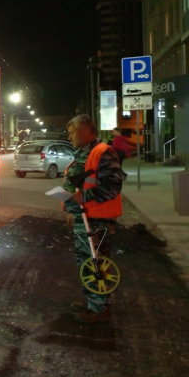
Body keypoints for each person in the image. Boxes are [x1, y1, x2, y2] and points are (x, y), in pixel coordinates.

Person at [63, 115, 124, 324]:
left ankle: (100, 309)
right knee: (87, 262)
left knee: (97, 264)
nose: (69, 137)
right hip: (86, 218)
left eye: (72, 133)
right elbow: (78, 185)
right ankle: (92, 302)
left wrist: (84, 198)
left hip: (98, 220)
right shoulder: (84, 153)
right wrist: (72, 209)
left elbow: (113, 186)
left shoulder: (103, 152)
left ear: (84, 132)